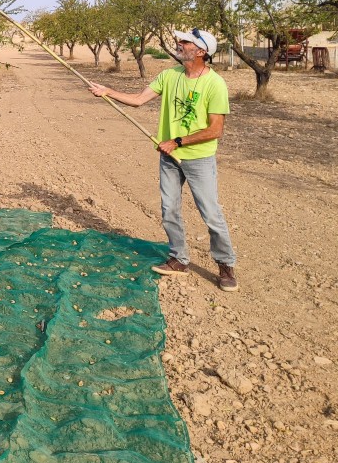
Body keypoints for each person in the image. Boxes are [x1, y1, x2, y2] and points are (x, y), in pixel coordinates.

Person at [88, 28, 238, 292]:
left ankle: (225, 265)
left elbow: (215, 130)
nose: (179, 44)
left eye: (185, 42)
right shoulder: (170, 75)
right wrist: (107, 91)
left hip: (198, 158)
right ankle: (179, 259)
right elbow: (138, 100)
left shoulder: (215, 84)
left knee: (211, 214)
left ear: (201, 52)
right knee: (169, 209)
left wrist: (177, 141)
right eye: (180, 40)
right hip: (169, 157)